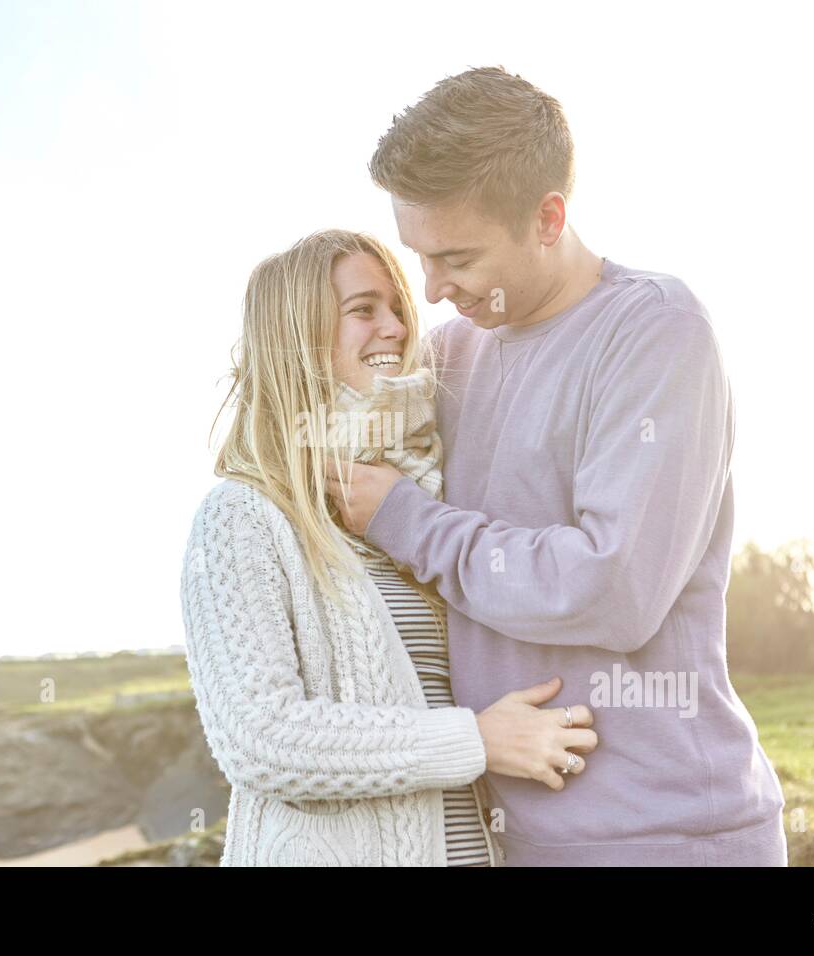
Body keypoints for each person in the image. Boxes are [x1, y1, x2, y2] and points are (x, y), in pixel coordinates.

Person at [327, 66, 788, 866]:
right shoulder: (448, 357)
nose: (431, 291)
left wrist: (404, 519)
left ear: (548, 218)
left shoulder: (655, 333)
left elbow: (612, 590)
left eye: (458, 258)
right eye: (420, 259)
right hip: (515, 835)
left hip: (666, 837)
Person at [180, 228, 598, 866]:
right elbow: (260, 738)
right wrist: (478, 740)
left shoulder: (418, 500)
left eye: (398, 309)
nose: (397, 329)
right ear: (299, 336)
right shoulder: (241, 517)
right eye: (363, 310)